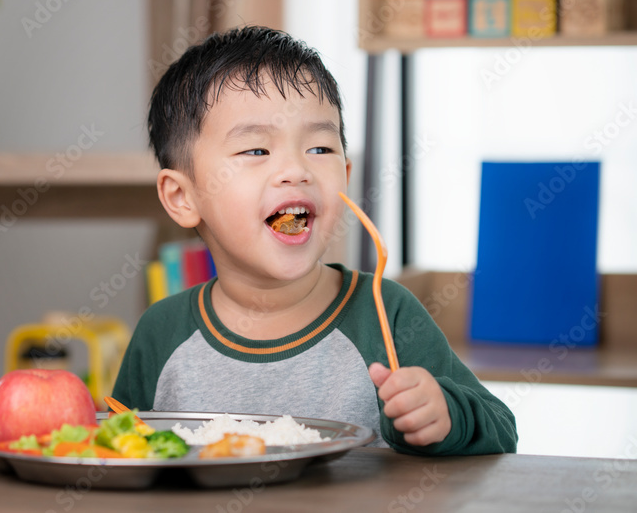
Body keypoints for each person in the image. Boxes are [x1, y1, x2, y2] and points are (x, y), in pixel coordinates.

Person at [112, 26, 516, 455]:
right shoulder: (161, 334)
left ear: (345, 176)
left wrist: (443, 416)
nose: (296, 170)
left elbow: (501, 432)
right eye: (256, 151)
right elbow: (117, 451)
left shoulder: (386, 313)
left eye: (320, 149)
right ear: (183, 197)